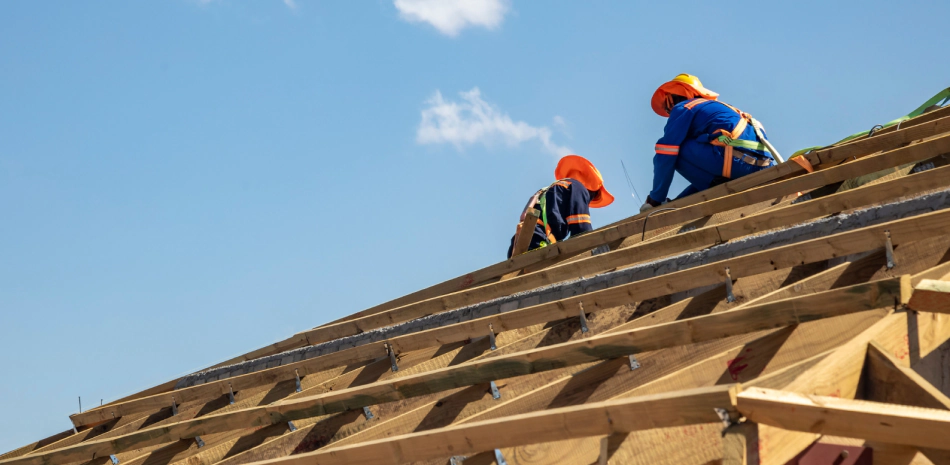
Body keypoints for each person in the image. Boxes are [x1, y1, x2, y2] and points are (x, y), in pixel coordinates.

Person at [641, 74, 777, 212]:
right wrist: (675, 203)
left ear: (676, 94)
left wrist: (655, 200)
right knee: (689, 148)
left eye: (667, 105)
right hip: (759, 167)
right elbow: (707, 180)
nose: (668, 111)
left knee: (673, 149)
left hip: (735, 163)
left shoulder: (684, 107)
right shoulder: (719, 109)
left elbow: (666, 153)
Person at [508, 155, 614, 258]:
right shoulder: (578, 188)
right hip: (538, 245)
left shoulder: (547, 189)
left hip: (517, 246)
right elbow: (582, 231)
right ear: (591, 188)